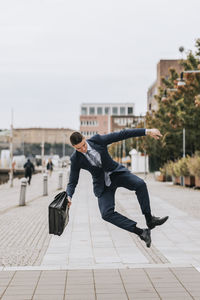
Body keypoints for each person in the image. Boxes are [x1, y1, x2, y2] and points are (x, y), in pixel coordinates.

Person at [66, 128, 169, 248]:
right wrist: (69, 196)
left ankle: (149, 219)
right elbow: (72, 181)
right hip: (102, 184)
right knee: (106, 214)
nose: (83, 149)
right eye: (79, 148)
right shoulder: (75, 159)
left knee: (140, 184)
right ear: (74, 147)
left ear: (85, 139)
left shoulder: (98, 141)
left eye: (83, 145)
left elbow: (122, 134)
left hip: (116, 174)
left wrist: (147, 131)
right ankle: (142, 232)